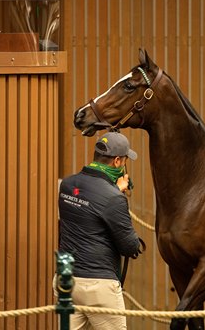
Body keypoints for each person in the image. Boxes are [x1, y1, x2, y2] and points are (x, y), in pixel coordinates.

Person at [55, 131, 144, 329]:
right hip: (98, 285)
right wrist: (116, 194)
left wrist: (113, 190)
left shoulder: (68, 185)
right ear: (118, 161)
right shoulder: (113, 198)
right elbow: (129, 247)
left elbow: (90, 204)